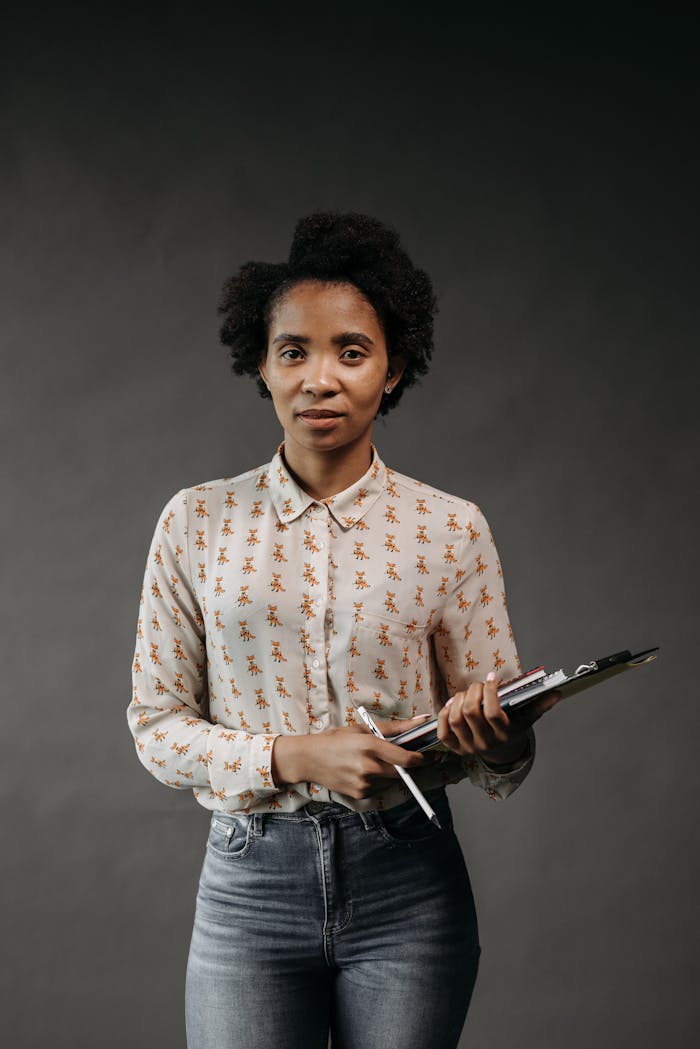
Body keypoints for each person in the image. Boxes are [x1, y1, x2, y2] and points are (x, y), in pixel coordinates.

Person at [126, 211, 560, 1049]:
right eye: (294, 351)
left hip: (409, 882)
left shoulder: (451, 529)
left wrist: (499, 737)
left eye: (350, 352)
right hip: (250, 885)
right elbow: (155, 727)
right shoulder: (196, 522)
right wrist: (296, 755)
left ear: (392, 370)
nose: (319, 378)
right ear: (261, 363)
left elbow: (500, 754)